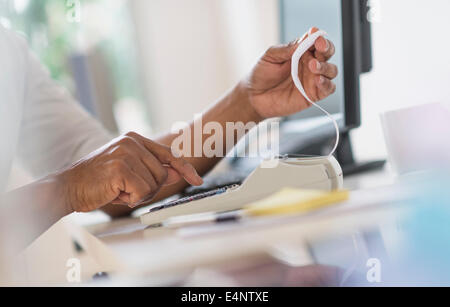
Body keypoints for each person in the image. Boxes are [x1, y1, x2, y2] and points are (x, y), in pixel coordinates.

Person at [0, 25, 337, 250]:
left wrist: (248, 103)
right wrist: (68, 188)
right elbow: (79, 180)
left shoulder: (8, 49)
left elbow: (109, 178)